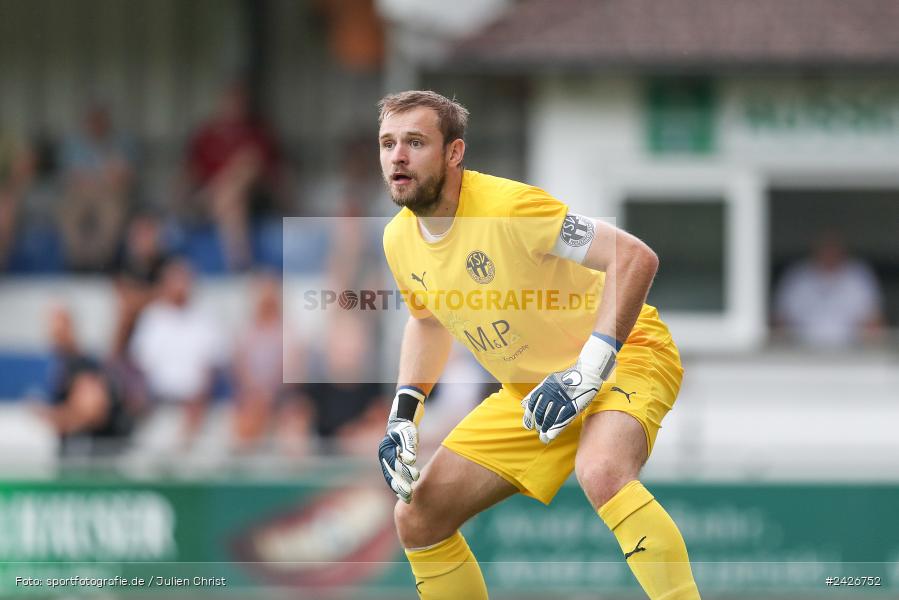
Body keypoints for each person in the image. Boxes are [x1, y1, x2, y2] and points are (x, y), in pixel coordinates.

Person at [375, 91, 700, 599]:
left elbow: (635, 258)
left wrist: (588, 371)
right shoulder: (398, 239)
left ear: (454, 153)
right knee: (418, 517)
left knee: (602, 471)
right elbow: (428, 322)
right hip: (531, 388)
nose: (398, 155)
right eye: (388, 143)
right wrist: (403, 415)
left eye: (415, 142)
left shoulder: (511, 207)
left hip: (625, 355)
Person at [36, 304, 133, 455]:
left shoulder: (83, 365)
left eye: (60, 325)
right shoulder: (56, 364)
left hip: (96, 457)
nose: (55, 331)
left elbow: (93, 412)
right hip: (69, 457)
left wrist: (55, 417)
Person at [774, 231, 885, 348]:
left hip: (851, 353)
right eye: (825, 248)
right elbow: (780, 323)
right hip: (802, 353)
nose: (829, 252)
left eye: (833, 248)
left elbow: (875, 324)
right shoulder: (797, 276)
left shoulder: (859, 276)